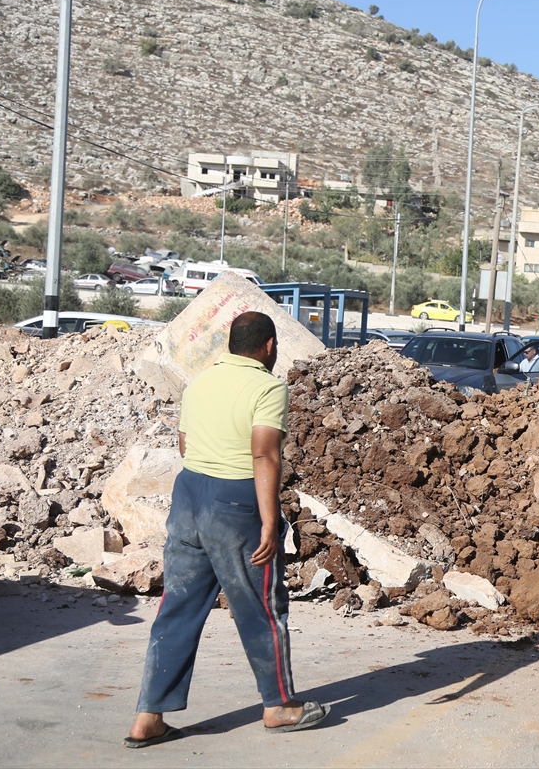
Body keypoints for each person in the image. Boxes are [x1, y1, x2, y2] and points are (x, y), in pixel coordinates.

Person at [126, 312, 328, 749]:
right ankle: (277, 706)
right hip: (235, 502)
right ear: (270, 347)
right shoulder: (268, 387)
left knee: (176, 607)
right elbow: (264, 456)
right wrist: (270, 522)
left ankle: (148, 717)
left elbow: (184, 442)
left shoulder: (200, 382)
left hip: (188, 495)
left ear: (230, 343)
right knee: (260, 607)